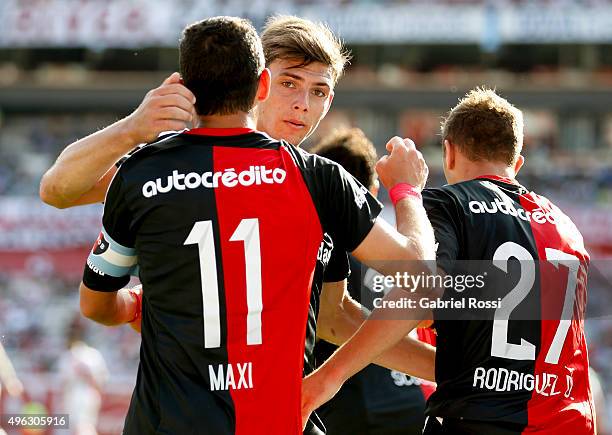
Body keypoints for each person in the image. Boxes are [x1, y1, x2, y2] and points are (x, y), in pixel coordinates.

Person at [77, 16, 434, 435]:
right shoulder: (314, 180)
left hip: (209, 416)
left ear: (330, 101)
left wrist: (446, 368)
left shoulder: (154, 169)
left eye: (318, 91)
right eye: (289, 83)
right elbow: (60, 189)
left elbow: (337, 317)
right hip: (272, 416)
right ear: (258, 82)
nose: (302, 103)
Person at [302, 88, 596, 435]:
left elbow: (419, 297)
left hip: (479, 420)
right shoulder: (566, 228)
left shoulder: (449, 204)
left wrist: (407, 191)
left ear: (449, 152)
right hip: (568, 420)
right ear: (516, 164)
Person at [312, 128, 435, 435]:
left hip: (336, 408)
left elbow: (335, 319)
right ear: (375, 190)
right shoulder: (395, 253)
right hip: (409, 404)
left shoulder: (322, 249)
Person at [58, 316, 108, 435]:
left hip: (77, 396)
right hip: (91, 395)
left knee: (82, 427)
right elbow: (102, 381)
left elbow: (64, 382)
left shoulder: (69, 356)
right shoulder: (94, 354)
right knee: (86, 426)